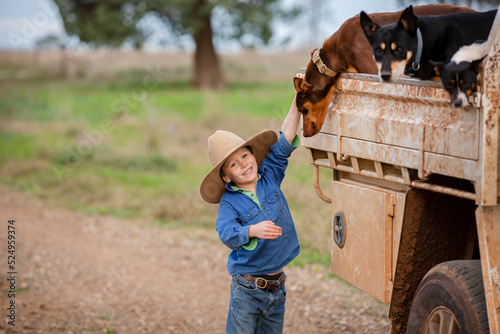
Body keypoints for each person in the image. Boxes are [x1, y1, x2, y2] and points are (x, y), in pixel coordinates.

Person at [200, 95, 302, 333]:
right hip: (247, 289)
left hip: (277, 287)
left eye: (245, 156)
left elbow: (284, 140)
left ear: (253, 156)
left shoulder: (270, 176)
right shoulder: (229, 202)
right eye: (234, 164)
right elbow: (226, 232)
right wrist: (252, 230)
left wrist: (298, 99)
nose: (244, 164)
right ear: (226, 177)